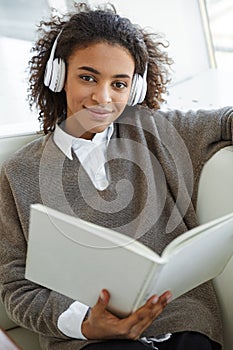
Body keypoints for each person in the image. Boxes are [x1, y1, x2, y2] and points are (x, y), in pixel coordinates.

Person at [0, 2, 232, 350]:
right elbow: (15, 288)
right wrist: (85, 324)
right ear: (57, 75)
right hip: (89, 341)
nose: (102, 97)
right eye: (88, 77)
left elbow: (224, 119)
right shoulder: (20, 173)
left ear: (134, 89)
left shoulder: (153, 131)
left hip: (182, 325)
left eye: (119, 84)